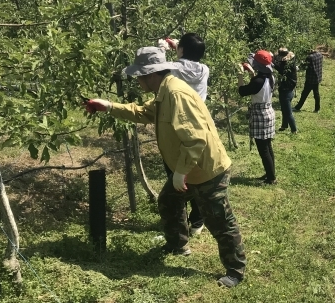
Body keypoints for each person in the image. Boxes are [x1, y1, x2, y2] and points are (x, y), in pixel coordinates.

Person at [84, 47, 246, 288]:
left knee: (219, 220)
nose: (137, 80)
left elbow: (196, 139)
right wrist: (108, 105)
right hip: (189, 168)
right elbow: (141, 112)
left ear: (151, 74)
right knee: (169, 201)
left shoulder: (176, 94)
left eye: (139, 75)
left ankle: (235, 270)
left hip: (205, 169)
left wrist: (181, 173)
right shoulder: (164, 92)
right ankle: (177, 245)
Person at [158, 33, 208, 236]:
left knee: (175, 175)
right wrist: (179, 47)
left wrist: (162, 48)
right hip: (199, 126)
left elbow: (157, 70)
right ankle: (198, 220)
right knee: (195, 174)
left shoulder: (172, 68)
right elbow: (188, 60)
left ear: (182, 51)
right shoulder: (205, 70)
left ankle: (181, 223)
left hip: (175, 127)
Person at [239, 50, 278, 184]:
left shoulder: (257, 81)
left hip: (260, 114)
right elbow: (257, 84)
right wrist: (251, 73)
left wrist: (240, 75)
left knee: (263, 149)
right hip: (268, 111)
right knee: (267, 145)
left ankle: (271, 178)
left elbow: (242, 91)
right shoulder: (271, 77)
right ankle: (270, 173)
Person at [274, 48, 298, 134]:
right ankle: (284, 125)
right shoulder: (291, 62)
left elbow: (277, 66)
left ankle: (294, 129)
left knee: (288, 111)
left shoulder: (284, 66)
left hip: (286, 90)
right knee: (284, 109)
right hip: (290, 89)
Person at [294, 48, 323, 113]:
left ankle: (298, 107)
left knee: (304, 93)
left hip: (310, 79)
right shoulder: (320, 55)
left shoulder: (309, 58)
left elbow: (303, 67)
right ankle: (317, 108)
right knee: (316, 93)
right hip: (317, 77)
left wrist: (298, 66)